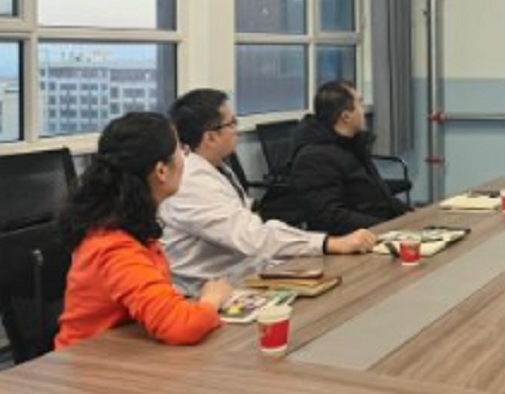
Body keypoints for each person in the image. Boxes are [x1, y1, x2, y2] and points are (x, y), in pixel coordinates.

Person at [159, 89, 377, 296]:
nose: (237, 129)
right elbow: (252, 237)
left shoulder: (216, 167)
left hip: (245, 272)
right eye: (232, 123)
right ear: (211, 137)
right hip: (209, 292)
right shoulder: (192, 183)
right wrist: (330, 243)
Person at [56, 112, 233, 348]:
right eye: (181, 150)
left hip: (128, 350)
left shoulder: (131, 223)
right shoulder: (113, 246)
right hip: (92, 361)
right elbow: (180, 326)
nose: (185, 158)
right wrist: (212, 300)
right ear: (161, 171)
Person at [263, 80, 408, 234]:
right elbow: (329, 217)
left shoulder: (352, 144)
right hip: (356, 239)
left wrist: (408, 214)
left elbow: (379, 195)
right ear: (346, 116)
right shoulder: (314, 158)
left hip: (379, 229)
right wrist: (387, 227)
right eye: (360, 103)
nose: (364, 110)